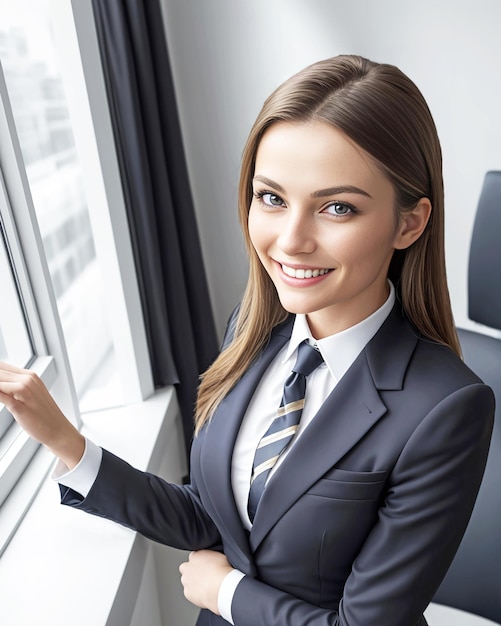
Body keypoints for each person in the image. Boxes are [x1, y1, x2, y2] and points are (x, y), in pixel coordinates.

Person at [0, 55, 495, 625]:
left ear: (409, 223)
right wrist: (68, 443)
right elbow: (218, 520)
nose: (291, 240)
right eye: (272, 198)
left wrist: (224, 594)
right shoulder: (254, 332)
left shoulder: (445, 407)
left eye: (337, 207)